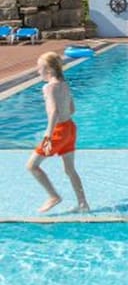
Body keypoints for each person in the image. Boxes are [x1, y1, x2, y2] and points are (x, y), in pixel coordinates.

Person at [26, 52, 89, 213]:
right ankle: (83, 204)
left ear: (48, 69)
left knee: (32, 166)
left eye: (39, 68)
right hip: (70, 128)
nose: (37, 72)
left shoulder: (48, 87)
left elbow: (54, 112)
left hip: (58, 131)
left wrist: (48, 135)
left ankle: (53, 196)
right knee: (70, 169)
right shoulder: (64, 84)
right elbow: (72, 109)